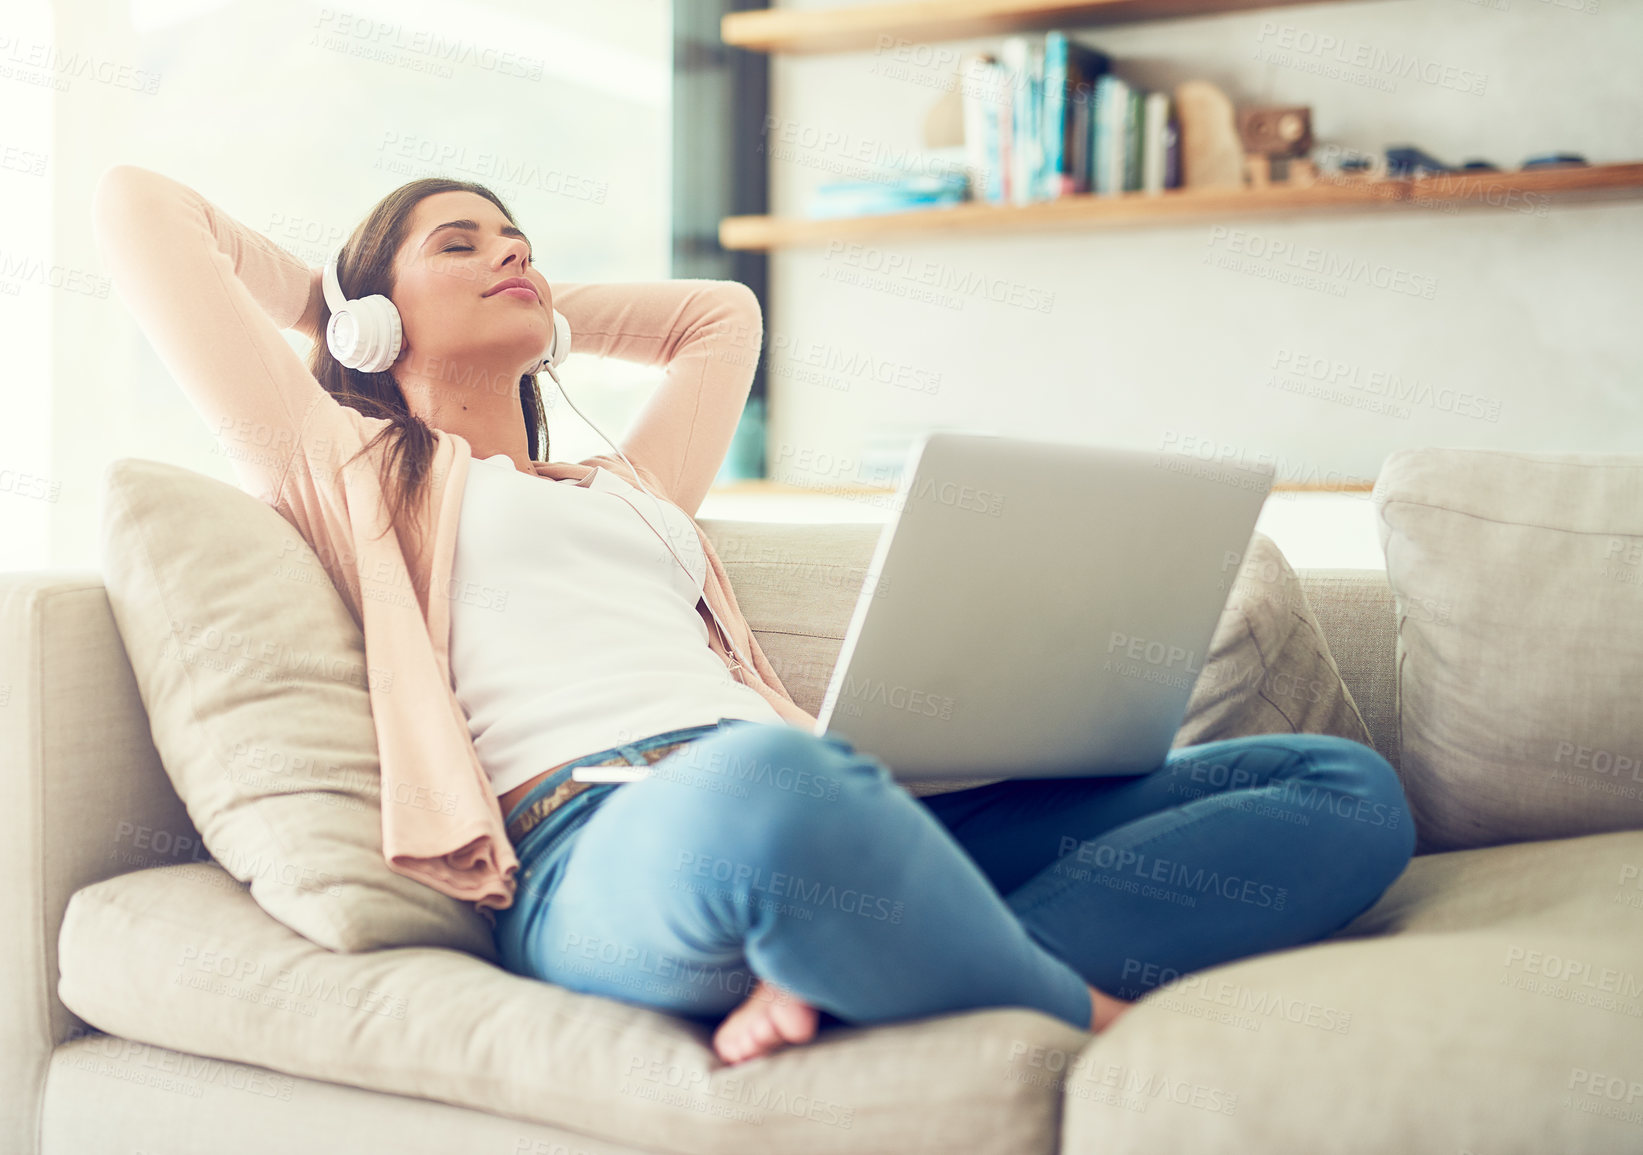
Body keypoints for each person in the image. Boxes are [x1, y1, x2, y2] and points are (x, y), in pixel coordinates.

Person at [92, 164, 1417, 1068]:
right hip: (607, 845)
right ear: (378, 313)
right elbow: (140, 208)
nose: (512, 255)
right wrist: (345, 317)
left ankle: (862, 959)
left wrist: (536, 306)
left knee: (1342, 788)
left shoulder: (631, 487)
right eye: (464, 243)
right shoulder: (365, 474)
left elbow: (719, 317)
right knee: (770, 783)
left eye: (522, 242)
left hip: (856, 818)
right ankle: (1070, 1010)